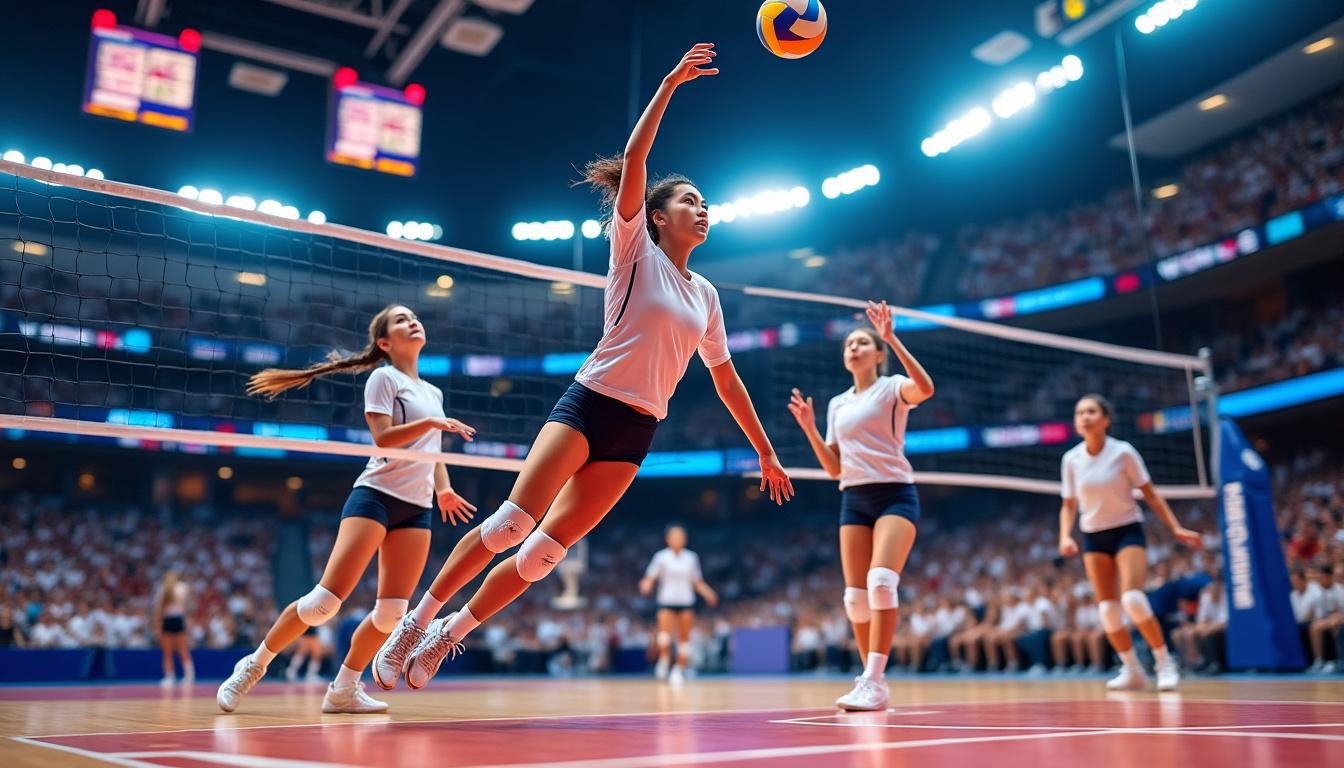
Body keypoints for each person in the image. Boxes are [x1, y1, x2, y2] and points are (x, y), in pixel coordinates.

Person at [375, 42, 794, 691]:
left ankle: (446, 635)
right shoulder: (635, 254)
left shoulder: (706, 295)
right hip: (590, 403)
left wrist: (765, 451)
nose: (703, 210)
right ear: (657, 217)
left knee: (544, 554)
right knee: (513, 523)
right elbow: (635, 160)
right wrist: (670, 82)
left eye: (706, 203)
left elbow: (726, 378)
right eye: (691, 201)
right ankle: (415, 620)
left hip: (638, 431)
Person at [216, 305, 477, 713]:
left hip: (417, 507)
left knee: (393, 615)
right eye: (400, 320)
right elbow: (384, 438)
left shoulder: (434, 393)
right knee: (324, 602)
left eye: (414, 317)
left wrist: (443, 489)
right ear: (385, 342)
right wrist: (431, 425)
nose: (412, 322)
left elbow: (434, 452)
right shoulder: (383, 377)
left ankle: (343, 688)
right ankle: (253, 665)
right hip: (376, 495)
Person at [787, 299, 935, 710]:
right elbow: (834, 469)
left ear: (878, 354)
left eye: (862, 342)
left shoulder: (891, 389)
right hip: (853, 497)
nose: (853, 347)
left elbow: (925, 388)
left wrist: (893, 337)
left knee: (881, 581)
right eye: (849, 343)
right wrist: (811, 430)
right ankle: (869, 679)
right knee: (855, 597)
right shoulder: (837, 404)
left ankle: (873, 677)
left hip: (894, 493)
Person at [1058, 394, 1201, 691]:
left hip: (1126, 530)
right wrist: (1064, 535)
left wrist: (1175, 527)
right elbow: (1069, 504)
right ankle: (1132, 669)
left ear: (1105, 420)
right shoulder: (1070, 460)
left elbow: (1149, 493)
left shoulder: (1123, 452)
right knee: (1107, 610)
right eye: (1080, 412)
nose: (1084, 416)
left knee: (1132, 599)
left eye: (1091, 411)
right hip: (1093, 534)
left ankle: (1164, 663)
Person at [640, 524, 718, 683]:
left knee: (684, 639)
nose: (677, 540)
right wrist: (646, 584)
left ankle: (679, 669)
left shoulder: (691, 558)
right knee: (664, 635)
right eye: (674, 537)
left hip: (685, 601)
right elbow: (650, 576)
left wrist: (708, 592)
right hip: (666, 600)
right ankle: (664, 660)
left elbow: (697, 581)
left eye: (680, 537)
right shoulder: (661, 557)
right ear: (668, 539)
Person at [153, 570, 194, 687]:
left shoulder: (171, 588)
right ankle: (181, 676)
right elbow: (159, 608)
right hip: (174, 620)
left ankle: (176, 677)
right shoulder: (170, 588)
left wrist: (157, 625)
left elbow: (159, 609)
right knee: (175, 651)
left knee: (173, 651)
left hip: (173, 620)